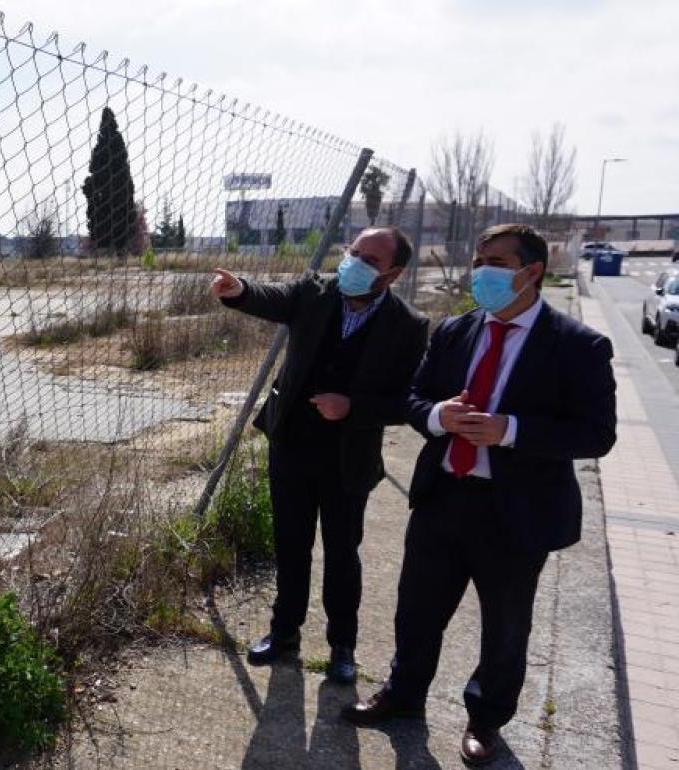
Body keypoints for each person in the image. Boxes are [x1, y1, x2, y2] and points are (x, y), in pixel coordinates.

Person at [341, 224, 617, 766]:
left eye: (494, 261)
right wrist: (440, 416)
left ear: (530, 272)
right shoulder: (455, 331)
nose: (480, 271)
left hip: (516, 509)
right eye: (478, 259)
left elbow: (596, 434)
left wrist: (510, 430)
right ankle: (404, 695)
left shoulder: (577, 346)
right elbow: (414, 399)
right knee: (416, 609)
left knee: (505, 624)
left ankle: (485, 720)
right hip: (444, 494)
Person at [210, 226, 429, 684]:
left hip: (349, 459)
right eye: (353, 251)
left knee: (342, 553)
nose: (354, 262)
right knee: (291, 546)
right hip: (291, 446)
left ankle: (342, 646)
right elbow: (274, 298)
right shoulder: (315, 292)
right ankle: (284, 632)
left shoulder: (407, 326)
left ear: (392, 274)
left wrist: (353, 408)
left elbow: (408, 400)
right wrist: (239, 291)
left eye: (369, 259)